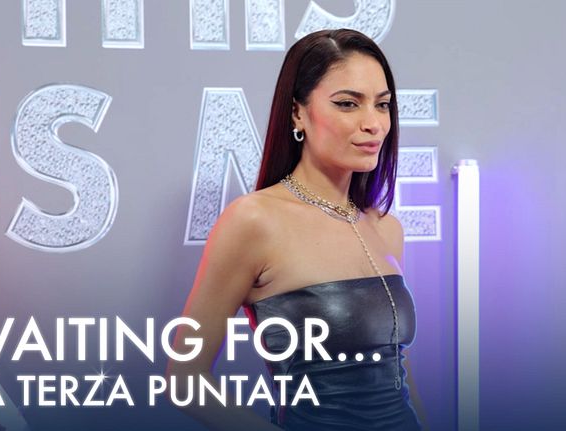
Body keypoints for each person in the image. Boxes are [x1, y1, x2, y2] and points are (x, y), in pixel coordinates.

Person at [166, 28, 427, 431]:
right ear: (297, 113)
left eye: (382, 105)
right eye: (347, 104)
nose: (373, 123)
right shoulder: (254, 220)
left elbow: (397, 372)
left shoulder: (386, 228)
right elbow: (185, 379)